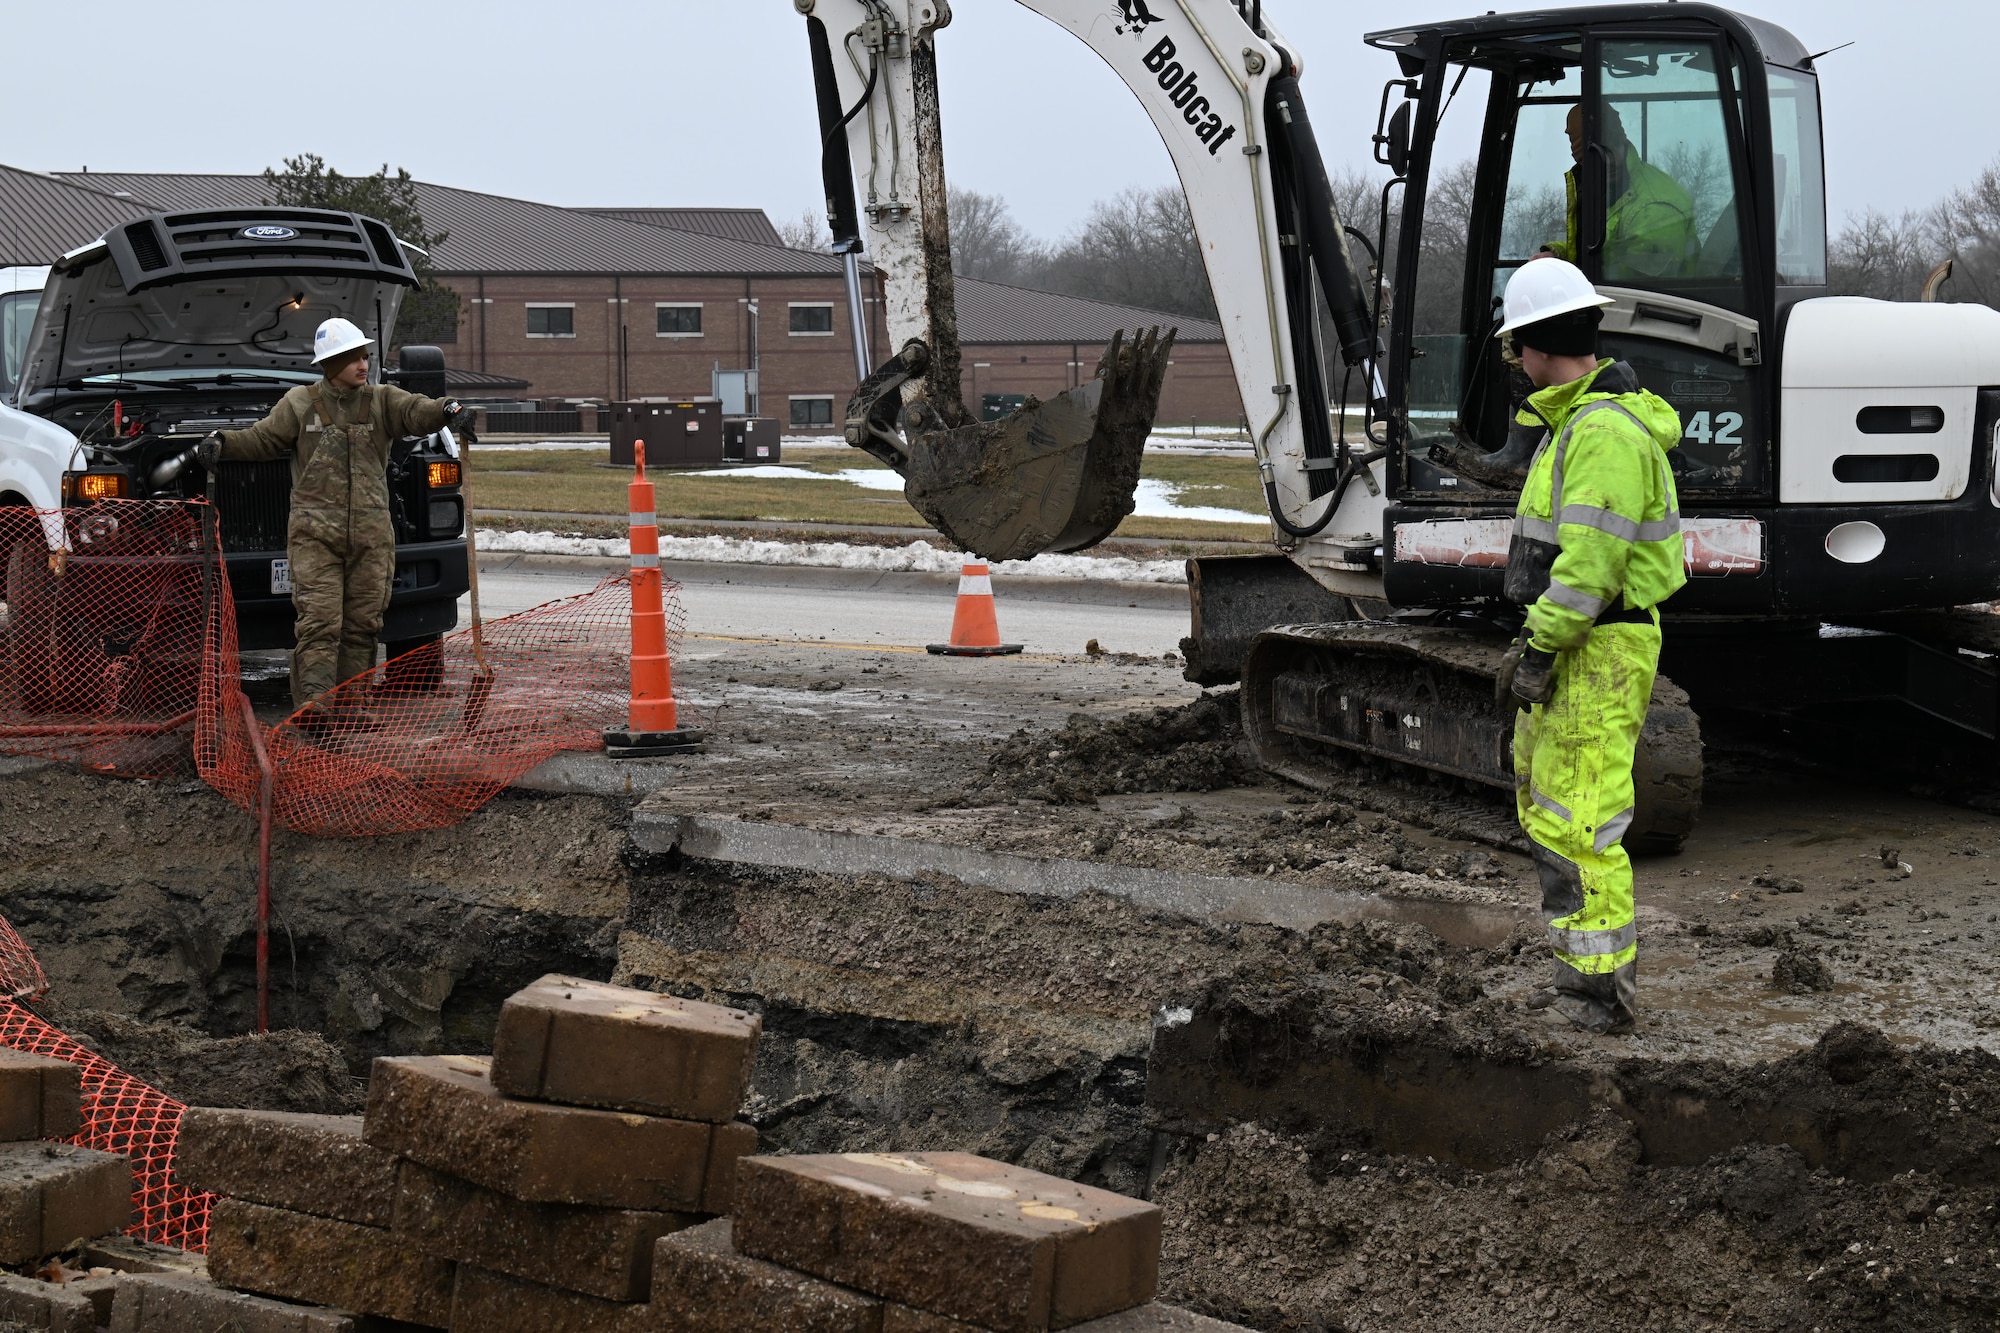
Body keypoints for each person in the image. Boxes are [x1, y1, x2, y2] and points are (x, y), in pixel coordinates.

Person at [1492, 258, 1686, 1035]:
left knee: (1579, 820)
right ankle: (1585, 977)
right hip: (1586, 640)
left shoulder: (1600, 431)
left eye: (1516, 348)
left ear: (1537, 345)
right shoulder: (1581, 419)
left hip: (1595, 646)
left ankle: (1598, 993)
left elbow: (1589, 567)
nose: (1515, 364)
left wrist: (1539, 646)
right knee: (1551, 808)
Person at [196, 317, 462, 721]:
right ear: (330, 362)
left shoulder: (383, 400)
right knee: (320, 622)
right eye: (353, 357)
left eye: (365, 355)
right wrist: (223, 443)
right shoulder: (300, 404)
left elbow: (416, 412)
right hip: (315, 536)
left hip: (371, 537)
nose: (363, 363)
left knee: (362, 624)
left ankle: (352, 706)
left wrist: (447, 409)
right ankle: (316, 705)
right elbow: (263, 439)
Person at [1542, 103, 1698, 281]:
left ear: (1623, 142)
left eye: (1614, 147)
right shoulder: (1607, 190)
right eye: (1595, 157)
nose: (1609, 162)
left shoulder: (1655, 208)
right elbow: (1605, 251)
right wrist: (1557, 256)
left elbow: (1627, 284)